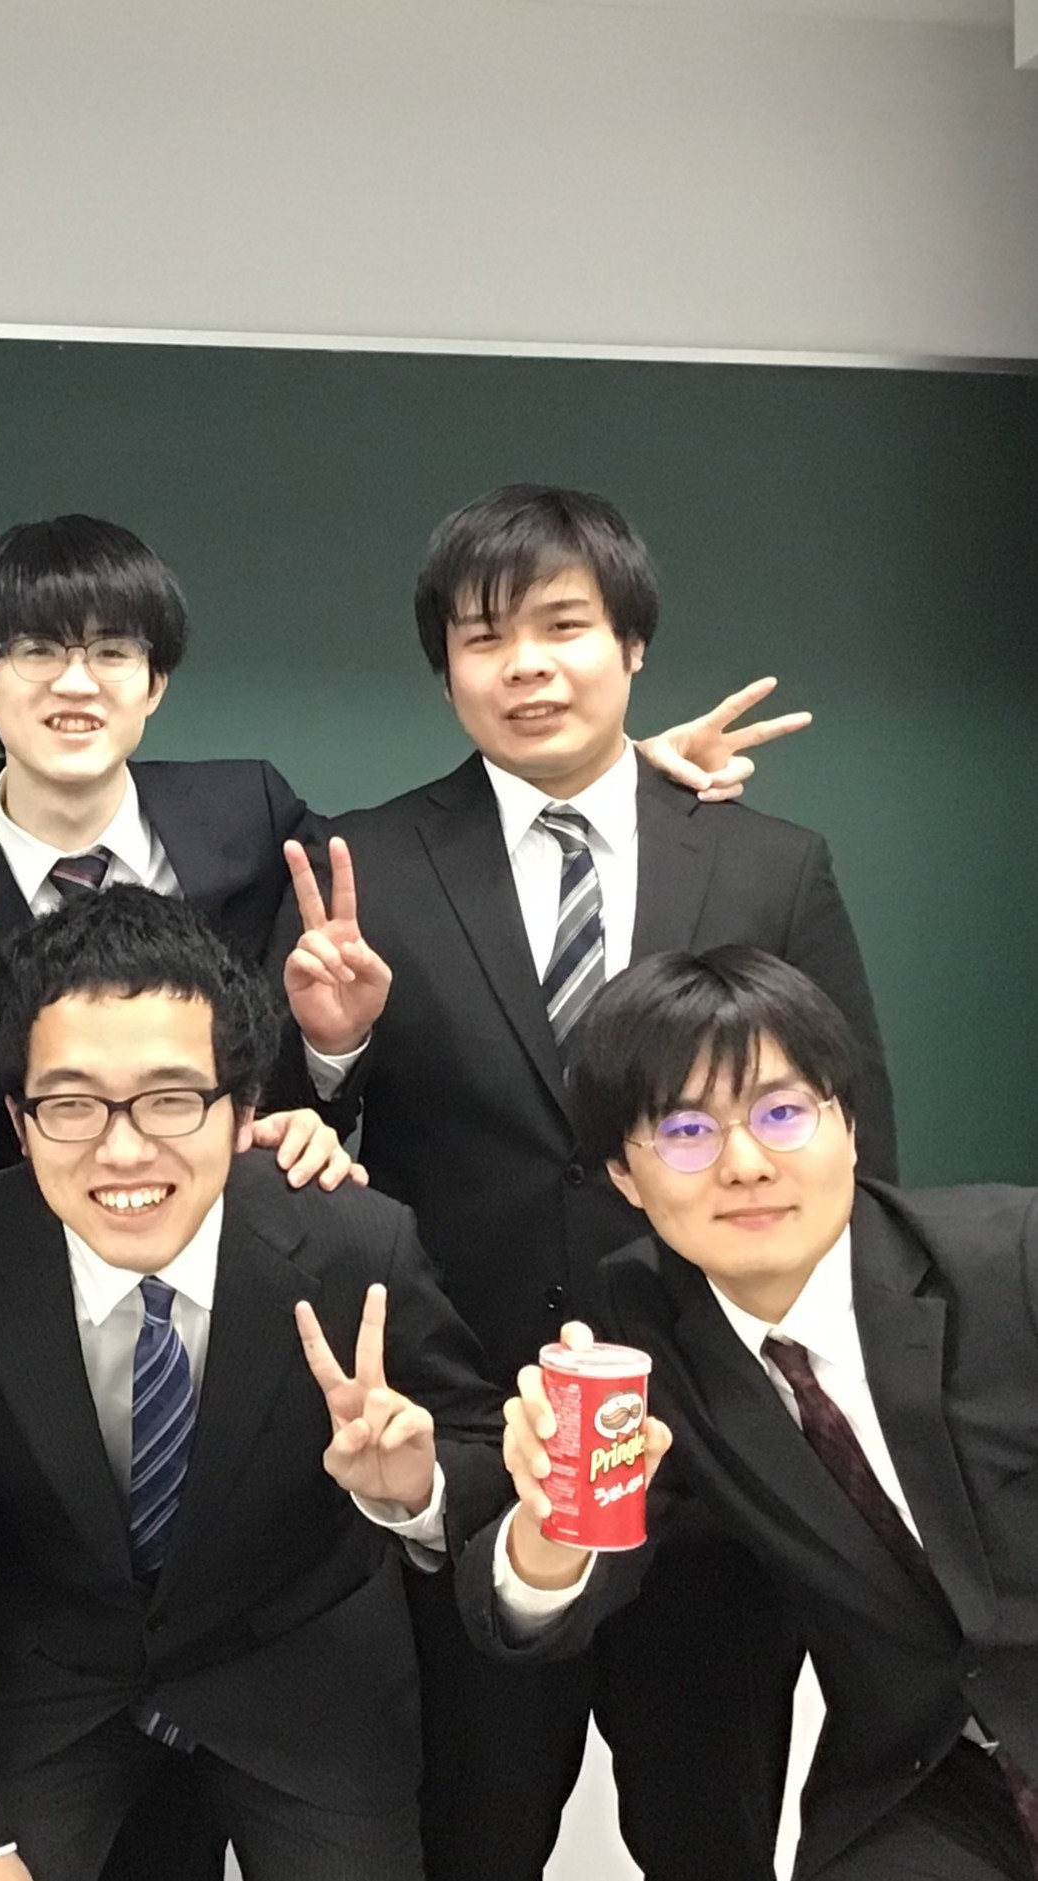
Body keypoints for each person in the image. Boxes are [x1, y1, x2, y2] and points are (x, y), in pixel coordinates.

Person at [297, 484, 897, 1879]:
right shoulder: (363, 865)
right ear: (445, 670)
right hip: (460, 1453)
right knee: (469, 1837)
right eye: (483, 637)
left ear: (631, 645)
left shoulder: (768, 864)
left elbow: (854, 1148)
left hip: (717, 1453)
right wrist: (333, 1054)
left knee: (712, 1836)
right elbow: (285, 1137)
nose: (526, 666)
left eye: (564, 626)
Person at [0, 887, 503, 1881]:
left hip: (303, 1669)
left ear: (244, 1111)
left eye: (170, 1099)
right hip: (59, 1676)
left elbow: (481, 1445)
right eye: (72, 1104)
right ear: (20, 1122)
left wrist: (415, 1490)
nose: (123, 1149)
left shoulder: (353, 1245)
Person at [0, 511, 785, 1176]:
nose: (76, 684)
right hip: (13, 1272)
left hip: (237, 1256)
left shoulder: (247, 815)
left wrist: (617, 775)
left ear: (155, 684)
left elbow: (424, 856)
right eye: (37, 652)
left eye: (113, 652)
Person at [462, 945, 1038, 1881]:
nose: (743, 1164)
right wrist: (550, 1524)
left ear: (848, 1125)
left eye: (782, 1113)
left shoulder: (1013, 1258)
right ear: (623, 1175)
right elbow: (547, 1604)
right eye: (686, 1130)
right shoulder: (641, 1331)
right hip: (931, 1784)